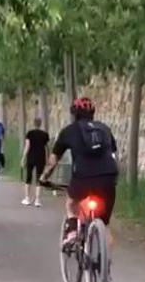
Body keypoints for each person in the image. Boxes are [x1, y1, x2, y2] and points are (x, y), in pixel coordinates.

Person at [40, 97, 119, 248]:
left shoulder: (69, 131)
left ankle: (72, 233)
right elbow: (114, 155)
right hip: (108, 177)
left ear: (74, 114)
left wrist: (44, 177)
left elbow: (53, 160)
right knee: (105, 223)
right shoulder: (104, 129)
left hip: (83, 177)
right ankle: (106, 262)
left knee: (71, 203)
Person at [21, 117, 50, 207]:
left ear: (34, 123)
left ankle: (27, 198)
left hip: (31, 157)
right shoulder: (45, 135)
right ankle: (37, 200)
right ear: (40, 124)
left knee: (28, 177)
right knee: (39, 178)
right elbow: (46, 148)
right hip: (40, 158)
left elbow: (27, 146)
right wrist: (47, 158)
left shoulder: (30, 134)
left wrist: (23, 157)